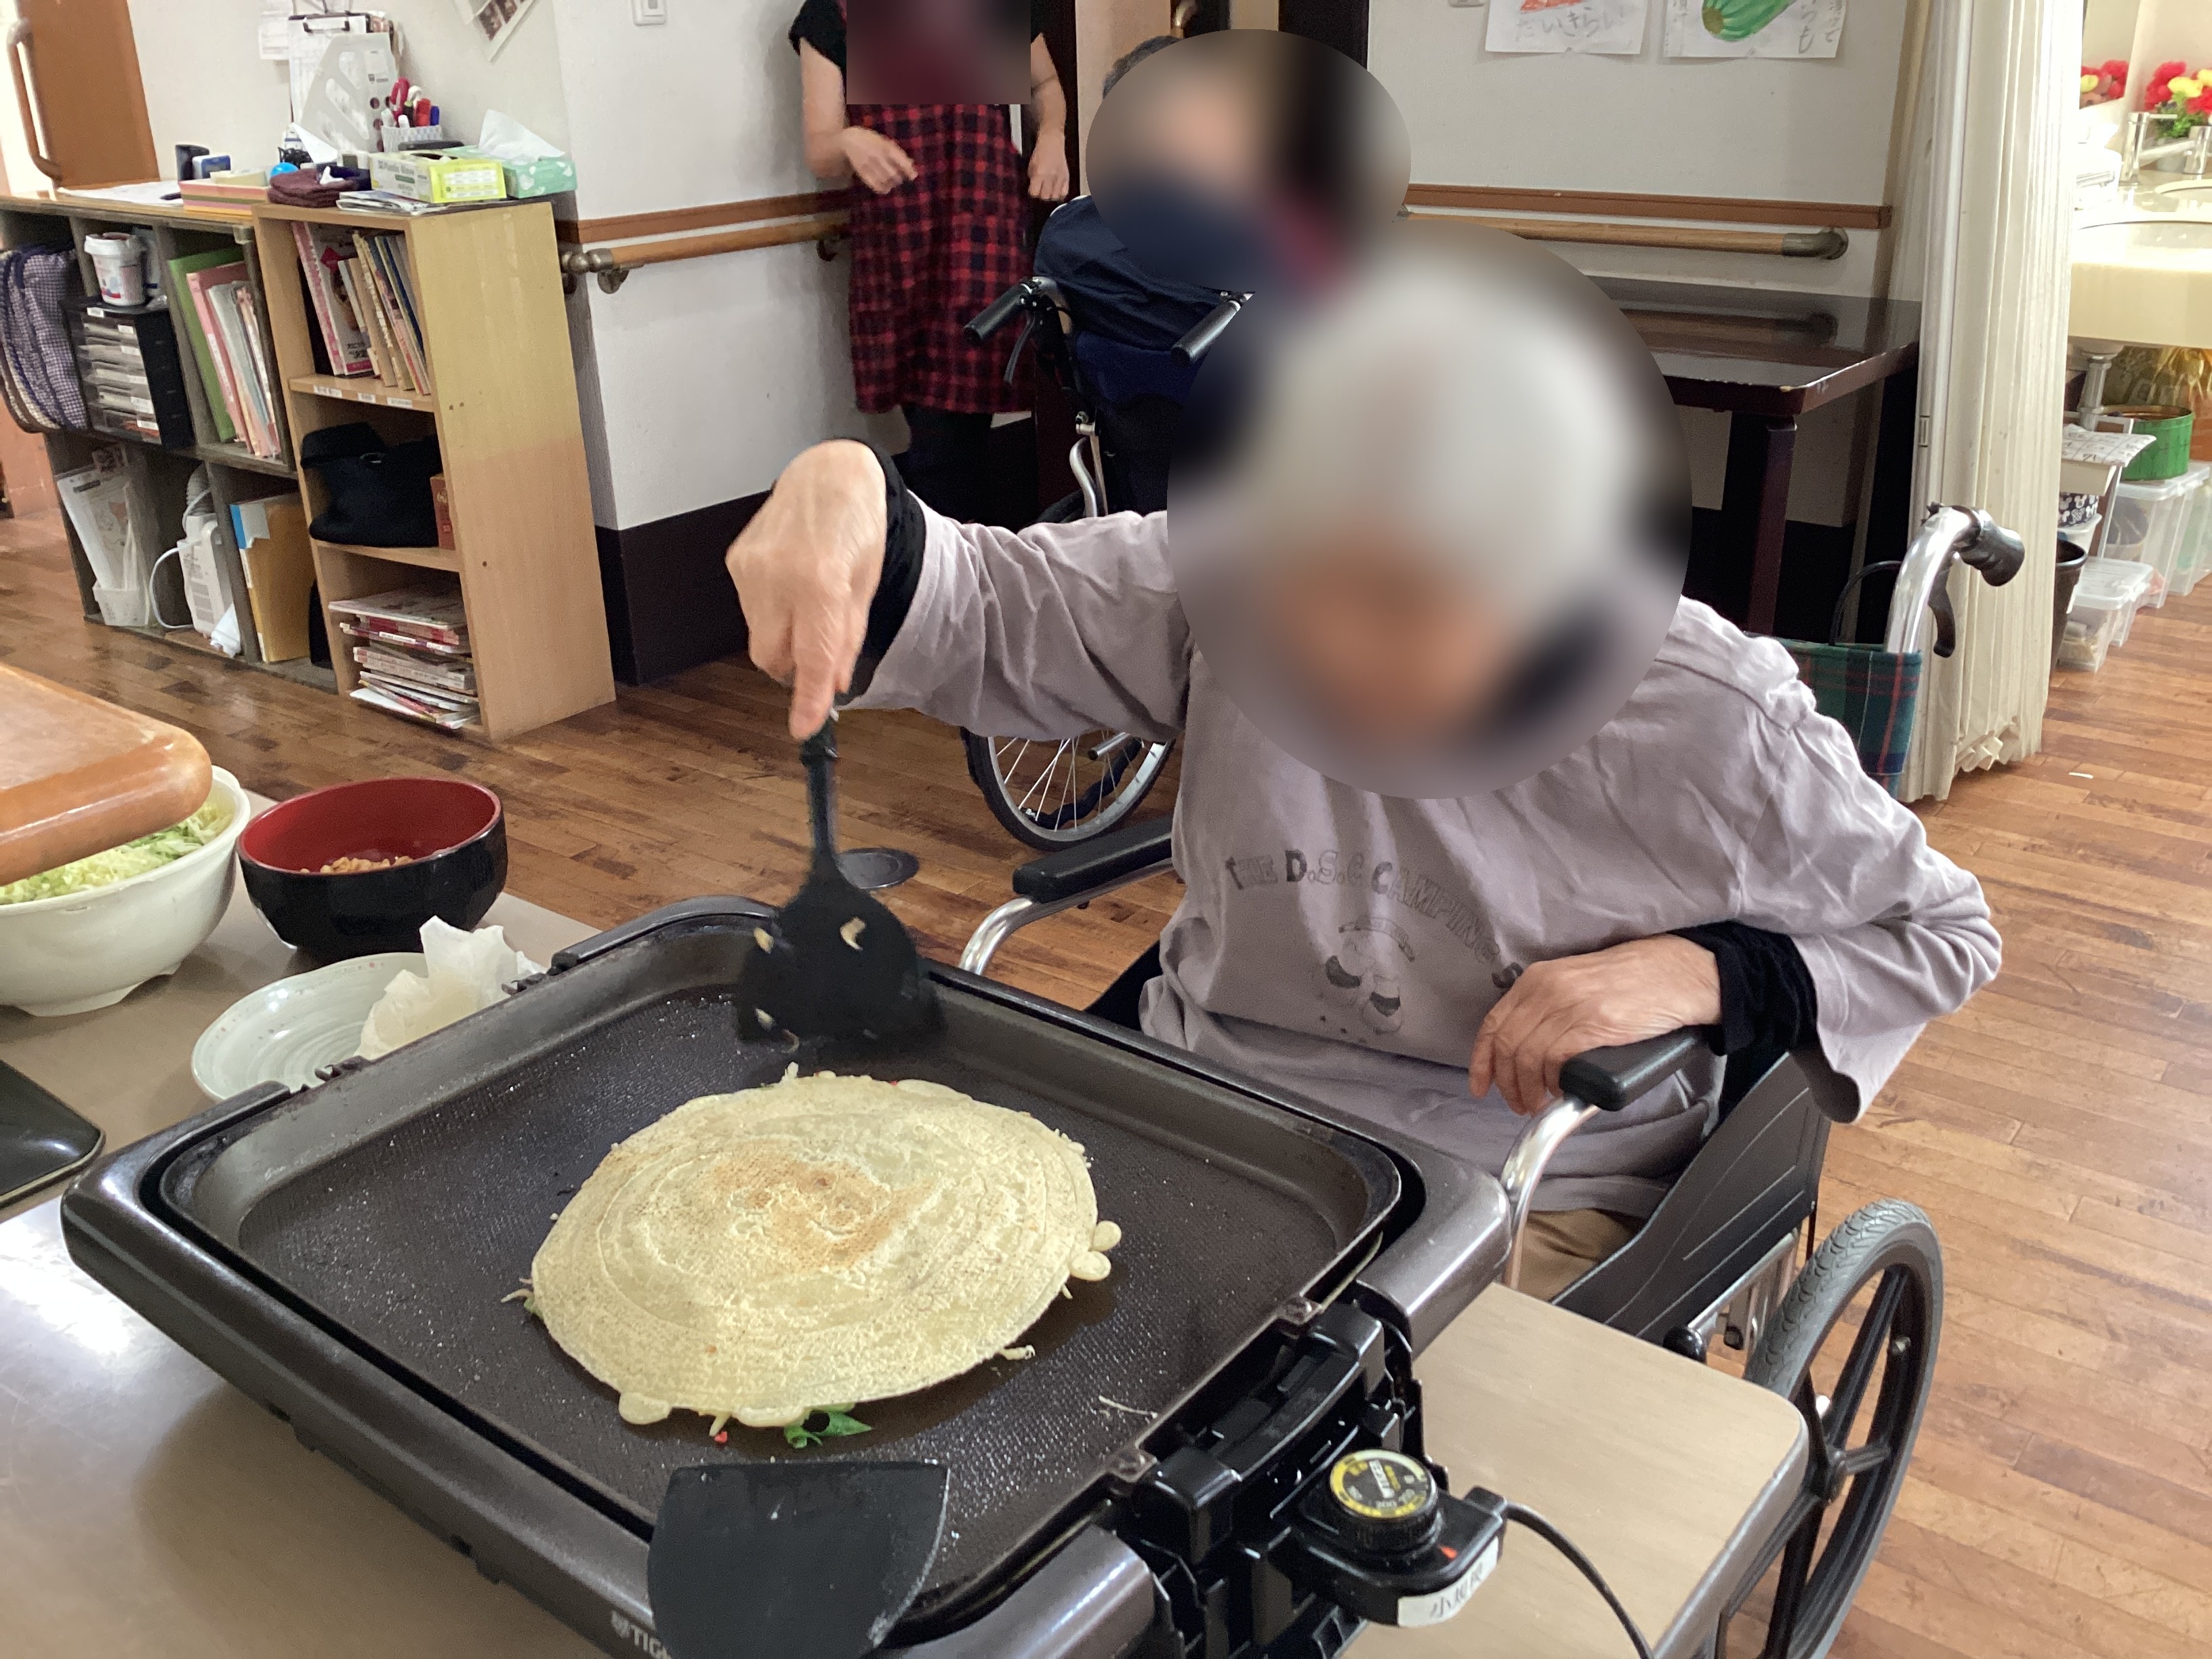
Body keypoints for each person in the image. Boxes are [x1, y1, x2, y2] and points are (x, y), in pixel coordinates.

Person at [723, 251, 2000, 1301]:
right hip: (1203, 1110)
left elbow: (1942, 932)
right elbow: (978, 599)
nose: (1325, 645)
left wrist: (1709, 972)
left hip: (1508, 1182)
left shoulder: (1712, 718)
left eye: (1402, 596)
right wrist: (851, 493)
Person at [791, 0, 1071, 525]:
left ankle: (950, 564)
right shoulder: (836, 12)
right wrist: (848, 139)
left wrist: (1052, 136)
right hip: (899, 244)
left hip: (982, 236)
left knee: (949, 442)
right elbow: (821, 151)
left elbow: (1045, 85)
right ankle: (956, 561)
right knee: (936, 435)